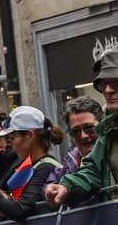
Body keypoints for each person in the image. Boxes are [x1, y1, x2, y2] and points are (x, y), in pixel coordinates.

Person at [47, 50, 118, 210]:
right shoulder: (108, 130)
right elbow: (93, 170)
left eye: (114, 81)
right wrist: (65, 187)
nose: (107, 90)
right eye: (103, 84)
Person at [62, 96, 103, 174]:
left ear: (103, 125)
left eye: (89, 127)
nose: (83, 136)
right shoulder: (68, 167)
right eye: (76, 131)